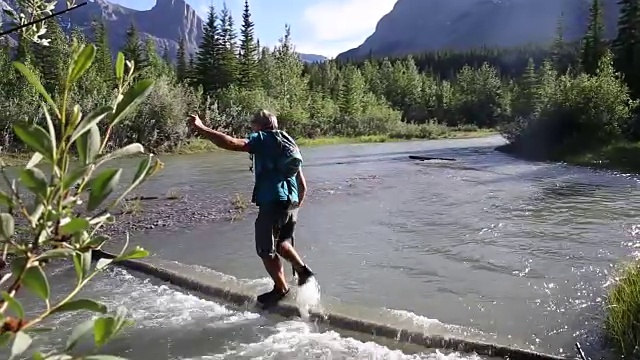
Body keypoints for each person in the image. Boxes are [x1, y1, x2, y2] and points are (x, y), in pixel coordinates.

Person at [187, 110, 315, 306]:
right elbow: (301, 181)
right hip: (291, 201)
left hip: (272, 201)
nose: (251, 128)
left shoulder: (262, 139)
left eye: (252, 125)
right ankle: (303, 271)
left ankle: (281, 289)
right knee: (282, 243)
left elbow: (230, 143)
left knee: (265, 248)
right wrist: (297, 204)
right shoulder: (287, 142)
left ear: (259, 125)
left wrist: (201, 128)